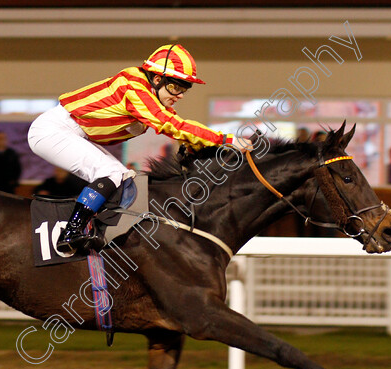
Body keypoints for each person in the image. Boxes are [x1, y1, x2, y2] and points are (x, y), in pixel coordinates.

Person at [28, 44, 249, 254]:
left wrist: (201, 145)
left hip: (73, 131)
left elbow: (179, 125)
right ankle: (71, 232)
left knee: (123, 176)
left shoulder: (150, 96)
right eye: (175, 87)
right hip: (53, 130)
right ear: (156, 78)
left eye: (185, 89)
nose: (179, 95)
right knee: (111, 173)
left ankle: (94, 228)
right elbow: (171, 125)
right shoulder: (134, 86)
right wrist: (225, 139)